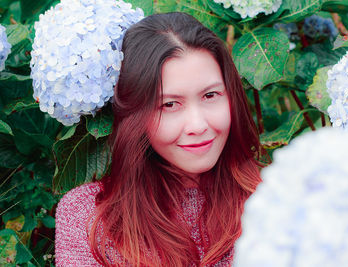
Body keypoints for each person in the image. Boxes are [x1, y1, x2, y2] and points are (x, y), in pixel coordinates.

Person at [55, 12, 261, 266]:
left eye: (210, 95)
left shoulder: (280, 200)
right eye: (170, 104)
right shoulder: (86, 217)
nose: (198, 125)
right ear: (135, 115)